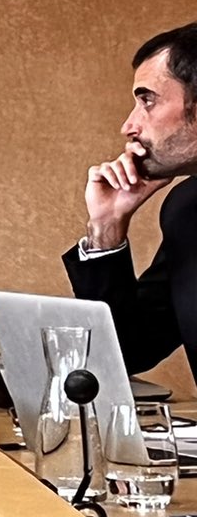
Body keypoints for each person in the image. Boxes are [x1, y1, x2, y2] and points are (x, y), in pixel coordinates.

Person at [65, 23, 197, 373]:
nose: (129, 126)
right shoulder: (186, 209)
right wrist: (106, 227)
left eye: (147, 100)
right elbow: (129, 352)